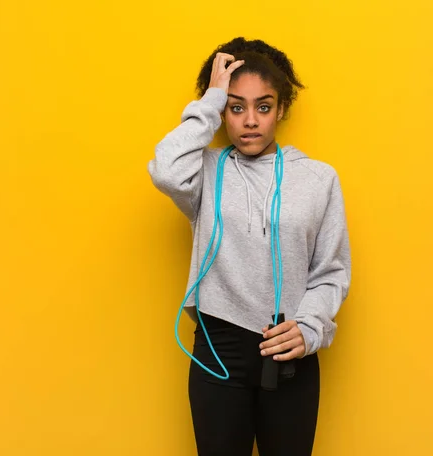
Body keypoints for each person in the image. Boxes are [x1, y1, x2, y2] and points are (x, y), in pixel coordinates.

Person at [147, 37, 351, 456]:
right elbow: (166, 170)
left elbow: (330, 271)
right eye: (236, 107)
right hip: (217, 350)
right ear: (222, 112)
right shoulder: (203, 171)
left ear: (281, 109)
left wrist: (311, 328)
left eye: (263, 106)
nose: (250, 121)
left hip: (288, 351)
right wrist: (210, 99)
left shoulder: (318, 178)